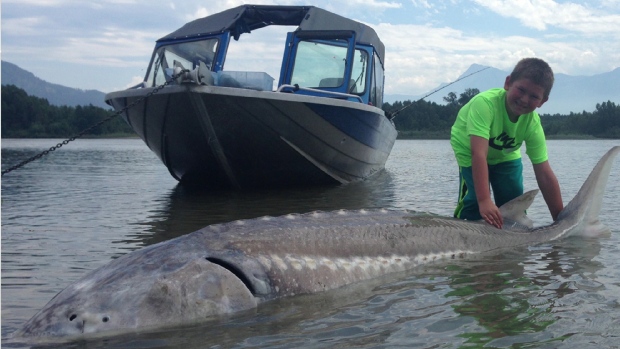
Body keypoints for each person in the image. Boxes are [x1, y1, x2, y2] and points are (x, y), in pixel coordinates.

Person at [450, 57, 563, 229]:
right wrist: (484, 200)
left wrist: (560, 221)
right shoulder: (485, 104)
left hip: (505, 155)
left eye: (534, 96)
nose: (525, 100)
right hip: (469, 149)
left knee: (513, 202)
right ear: (508, 83)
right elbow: (479, 154)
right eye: (521, 90)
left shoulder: (532, 124)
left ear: (543, 101)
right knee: (473, 202)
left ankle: (512, 249)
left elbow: (544, 173)